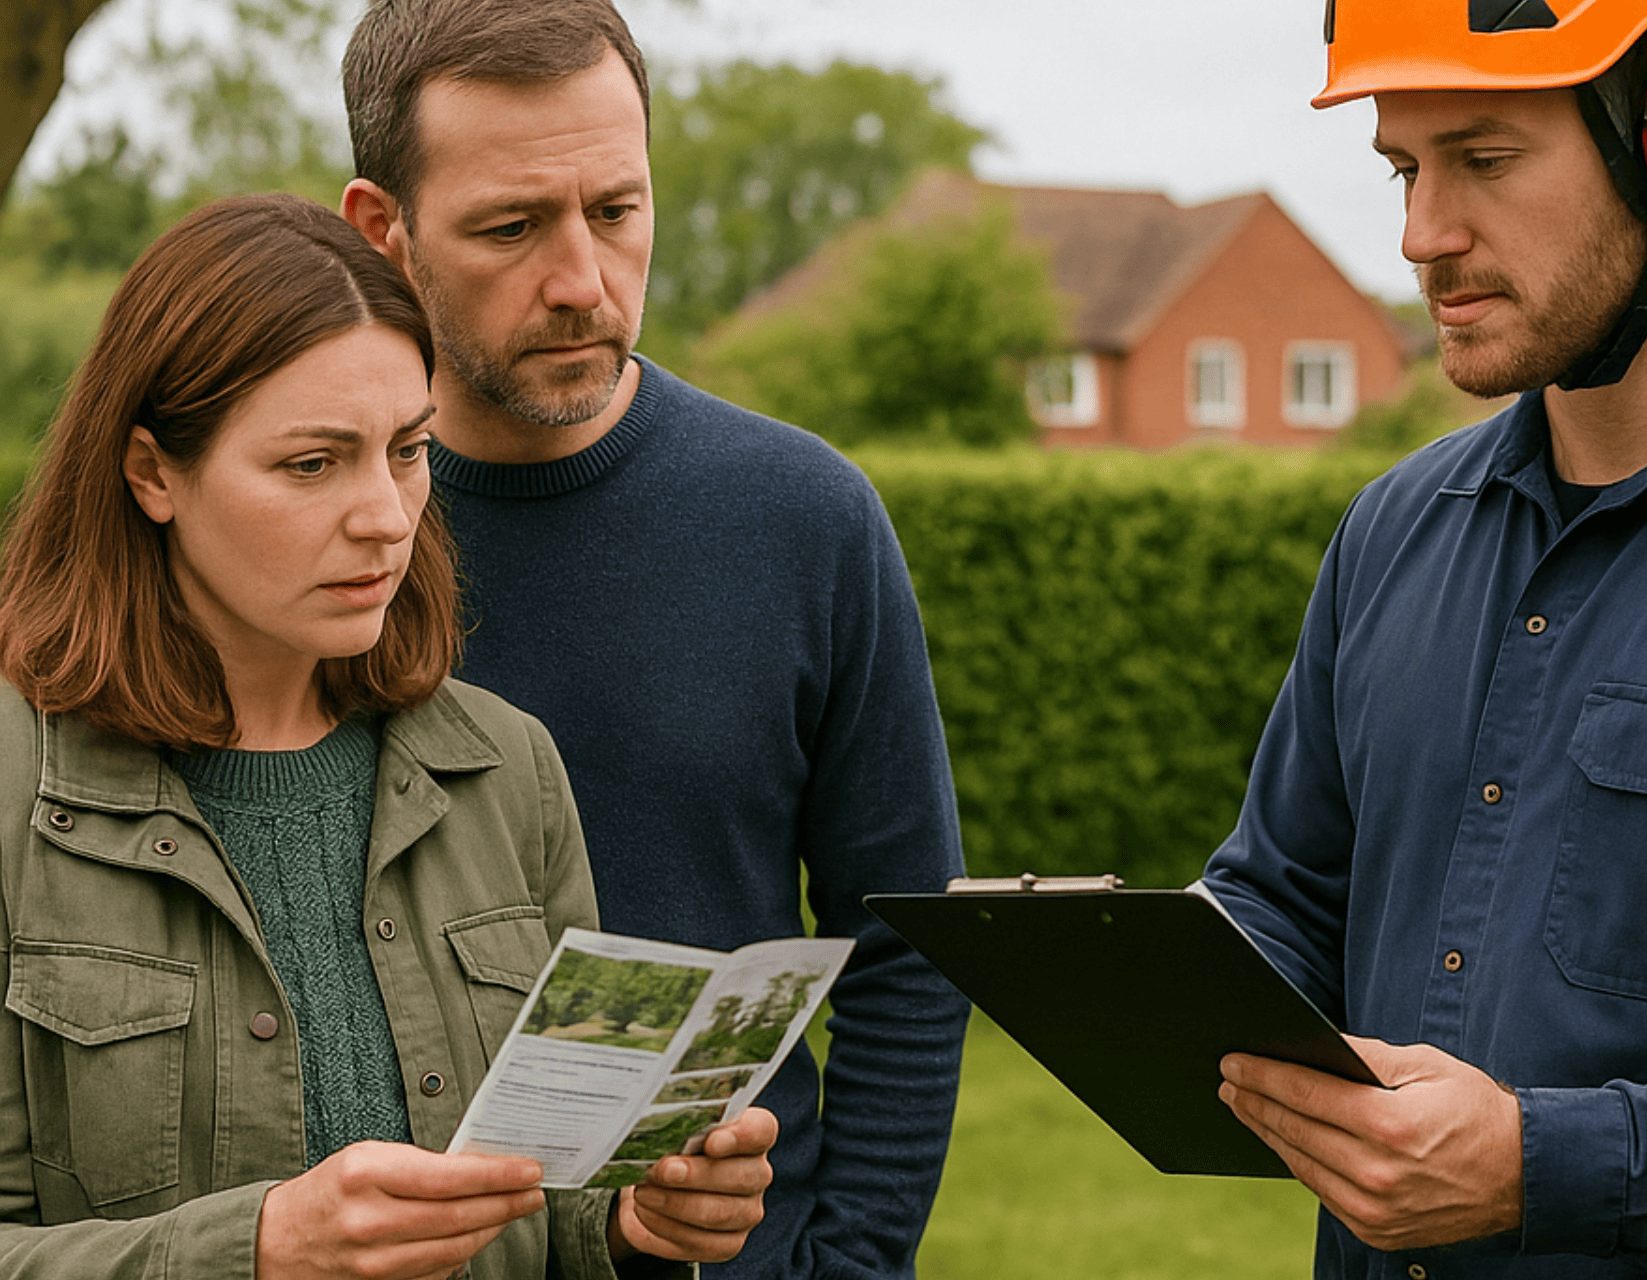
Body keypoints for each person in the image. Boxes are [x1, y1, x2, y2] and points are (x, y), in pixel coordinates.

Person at [1202, 0, 1647, 1274]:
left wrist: (1540, 1164)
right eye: (1404, 171)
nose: (1424, 236)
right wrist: (1151, 979)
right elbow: (1284, 897)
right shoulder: (1391, 530)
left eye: (1483, 159)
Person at [0, 192, 777, 1279]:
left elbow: (559, 1204)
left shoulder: (509, 769)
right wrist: (255, 1250)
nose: (384, 514)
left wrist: (636, 1219)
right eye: (312, 463)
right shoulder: (16, 789)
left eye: (407, 449)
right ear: (151, 472)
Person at [337, 5, 969, 1277]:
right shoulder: (309, 532)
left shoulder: (806, 517)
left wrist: (841, 1266)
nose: (580, 279)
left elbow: (909, 949)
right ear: (381, 233)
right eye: (512, 225)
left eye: (616, 212)